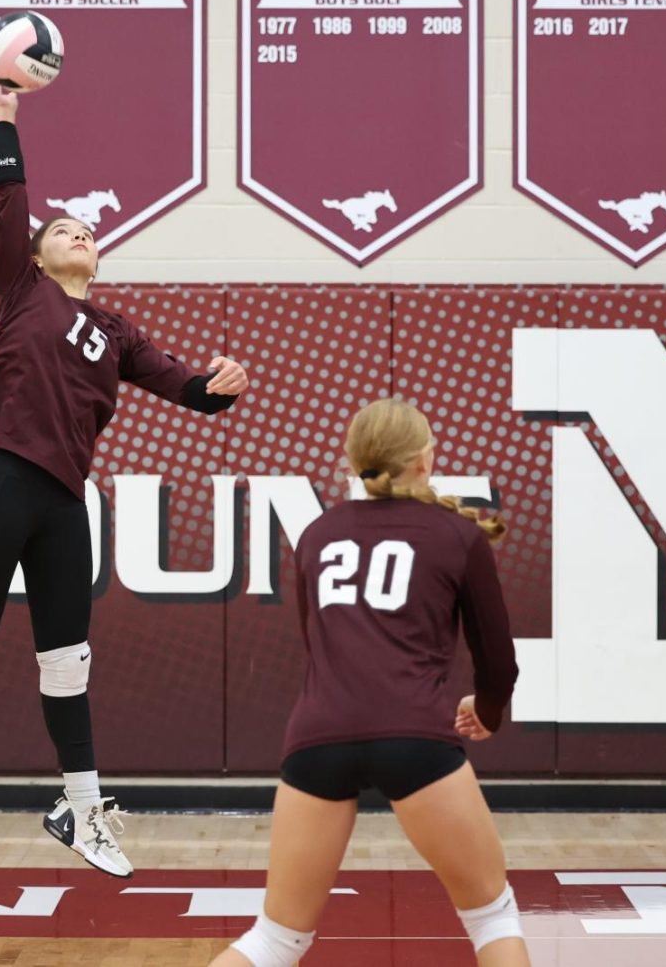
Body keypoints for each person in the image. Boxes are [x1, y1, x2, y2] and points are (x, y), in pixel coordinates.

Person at [0, 66, 249, 878]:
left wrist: (222, 386)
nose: (79, 232)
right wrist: (4, 120)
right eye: (65, 229)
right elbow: (10, 203)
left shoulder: (117, 329)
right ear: (41, 255)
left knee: (69, 659)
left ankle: (83, 813)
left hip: (60, 501)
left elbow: (186, 389)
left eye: (88, 229)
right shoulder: (20, 287)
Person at [211, 398, 527, 967]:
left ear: (350, 461)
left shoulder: (317, 534)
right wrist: (488, 709)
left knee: (275, 939)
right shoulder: (458, 535)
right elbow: (497, 659)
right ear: (426, 460)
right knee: (492, 917)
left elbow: (322, 648)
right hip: (416, 737)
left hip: (317, 739)